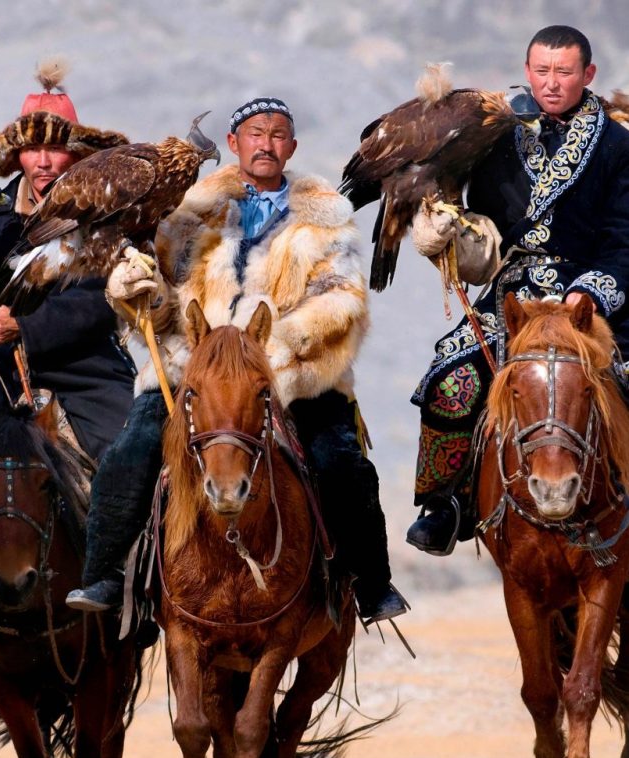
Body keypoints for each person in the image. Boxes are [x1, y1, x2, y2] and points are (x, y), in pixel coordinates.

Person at [66, 97, 408, 625]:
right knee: (131, 450)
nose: (265, 144)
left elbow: (341, 299)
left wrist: (276, 351)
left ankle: (371, 584)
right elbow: (165, 304)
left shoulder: (325, 221)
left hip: (292, 374)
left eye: (277, 135)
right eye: (255, 134)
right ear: (233, 144)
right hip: (193, 372)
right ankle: (106, 575)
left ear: (291, 147)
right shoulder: (188, 215)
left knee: (340, 460)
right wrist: (140, 293)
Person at [406, 25, 629, 555]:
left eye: (564, 72)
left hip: (591, 304)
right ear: (528, 71)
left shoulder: (619, 146)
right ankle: (447, 502)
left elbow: (625, 239)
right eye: (542, 71)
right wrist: (446, 228)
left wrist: (589, 294)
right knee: (450, 381)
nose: (552, 82)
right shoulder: (496, 133)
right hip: (513, 300)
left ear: (588, 74)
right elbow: (468, 210)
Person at [0, 61, 135, 463]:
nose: (44, 162)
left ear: (77, 154)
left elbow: (98, 302)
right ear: (18, 156)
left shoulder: (107, 214)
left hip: (85, 368)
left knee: (130, 460)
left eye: (56, 149)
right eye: (33, 149)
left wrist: (23, 327)